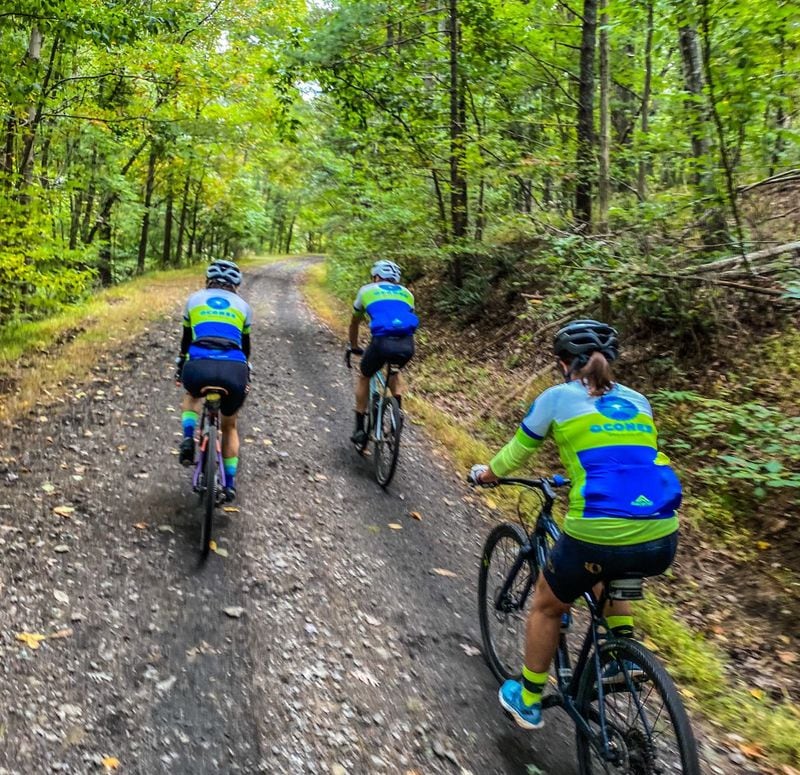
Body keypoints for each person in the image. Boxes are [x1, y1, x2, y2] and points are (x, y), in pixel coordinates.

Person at [469, 319, 682, 730]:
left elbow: (514, 456)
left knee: (549, 602)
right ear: (611, 360)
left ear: (564, 362)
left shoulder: (556, 398)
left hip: (598, 533)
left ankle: (529, 698)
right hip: (661, 534)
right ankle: (621, 653)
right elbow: (627, 461)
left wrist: (485, 475)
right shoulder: (639, 401)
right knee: (610, 566)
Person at [174, 259, 252, 501]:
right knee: (229, 426)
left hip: (199, 367)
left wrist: (180, 366)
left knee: (191, 395)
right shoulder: (243, 306)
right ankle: (229, 484)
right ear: (235, 285)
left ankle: (188, 438)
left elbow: (186, 342)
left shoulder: (194, 300)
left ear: (208, 281)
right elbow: (245, 348)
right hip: (233, 370)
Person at [347, 260, 419, 446]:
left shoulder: (367, 290)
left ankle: (360, 428)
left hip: (381, 343)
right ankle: (397, 415)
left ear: (375, 276)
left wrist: (354, 346)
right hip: (407, 345)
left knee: (364, 375)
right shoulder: (407, 294)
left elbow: (355, 322)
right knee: (394, 370)